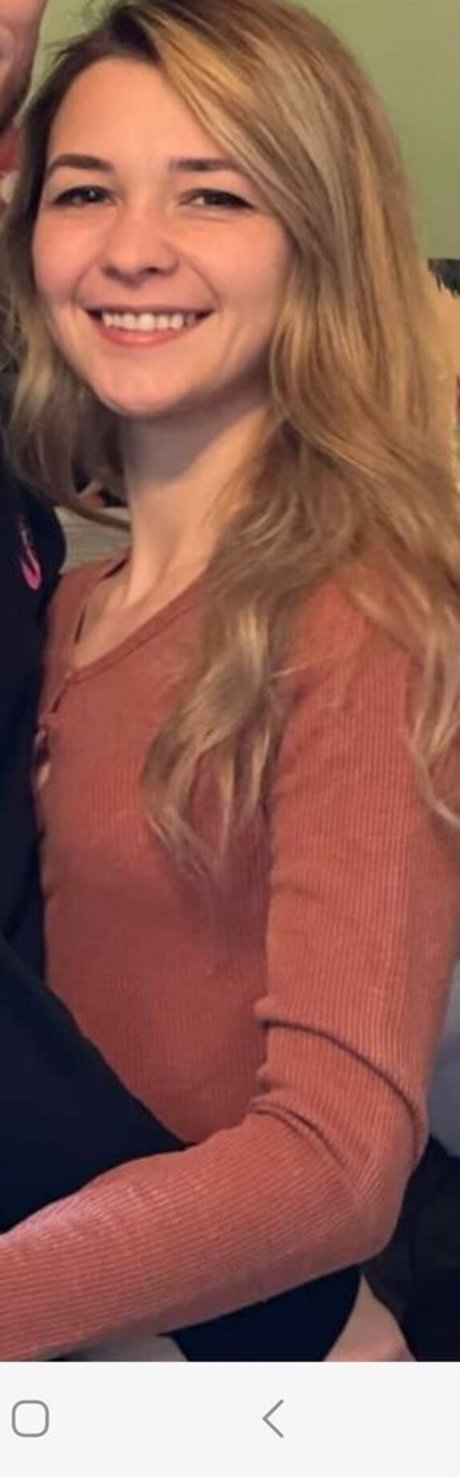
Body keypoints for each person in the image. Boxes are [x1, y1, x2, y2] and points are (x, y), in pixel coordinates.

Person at [1, 0, 459, 1363]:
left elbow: (334, 1157)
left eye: (213, 194)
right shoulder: (64, 605)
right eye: (86, 191)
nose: (133, 246)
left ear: (317, 240)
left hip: (250, 1380)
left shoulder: (363, 612)